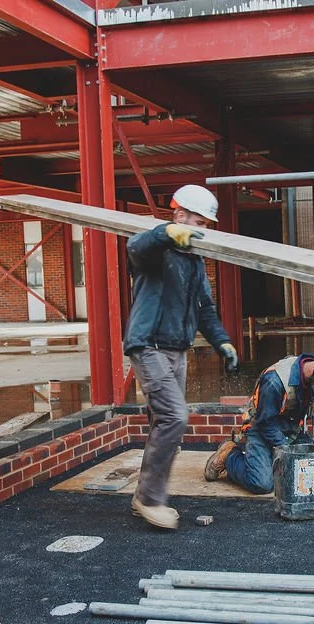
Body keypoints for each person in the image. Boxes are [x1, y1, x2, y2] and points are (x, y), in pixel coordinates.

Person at [125, 184, 239, 529]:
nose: (203, 229)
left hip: (176, 350)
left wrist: (222, 341)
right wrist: (165, 233)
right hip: (148, 345)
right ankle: (150, 499)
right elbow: (136, 248)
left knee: (164, 422)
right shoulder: (157, 250)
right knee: (175, 417)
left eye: (207, 224)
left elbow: (205, 308)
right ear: (179, 215)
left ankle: (143, 495)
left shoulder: (194, 261)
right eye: (198, 222)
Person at [204, 348, 314, 494]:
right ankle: (230, 455)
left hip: (292, 430)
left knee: (311, 473)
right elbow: (265, 422)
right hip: (261, 428)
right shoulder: (275, 381)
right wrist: (286, 449)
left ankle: (273, 464)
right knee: (262, 484)